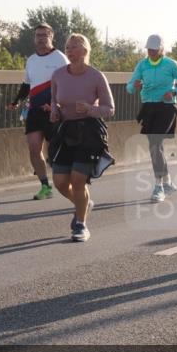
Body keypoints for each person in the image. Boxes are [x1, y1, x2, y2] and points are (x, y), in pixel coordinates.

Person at [48, 34, 115, 242]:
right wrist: (54, 111)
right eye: (67, 47)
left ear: (85, 51)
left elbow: (109, 109)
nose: (69, 51)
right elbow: (54, 101)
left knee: (78, 179)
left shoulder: (96, 76)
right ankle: (83, 204)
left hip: (88, 131)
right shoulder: (58, 75)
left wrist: (90, 109)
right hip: (65, 131)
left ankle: (80, 224)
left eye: (74, 47)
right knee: (59, 181)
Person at [126, 35, 177, 202]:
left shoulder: (171, 64)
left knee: (155, 143)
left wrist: (174, 92)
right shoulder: (142, 65)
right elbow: (129, 87)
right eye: (149, 49)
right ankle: (168, 182)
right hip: (148, 107)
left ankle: (158, 187)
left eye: (154, 49)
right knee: (156, 146)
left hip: (167, 107)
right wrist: (135, 86)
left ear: (161, 49)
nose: (151, 52)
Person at [6, 24, 68, 199]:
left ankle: (65, 180)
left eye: (44, 35)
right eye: (37, 35)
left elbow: (67, 83)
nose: (40, 38)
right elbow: (27, 84)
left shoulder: (60, 58)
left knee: (54, 151)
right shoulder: (31, 59)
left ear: (51, 36)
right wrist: (16, 101)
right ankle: (45, 186)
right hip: (34, 111)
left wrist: (57, 104)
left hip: (53, 111)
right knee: (34, 150)